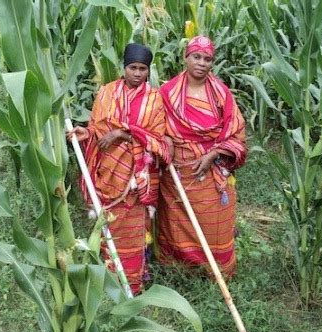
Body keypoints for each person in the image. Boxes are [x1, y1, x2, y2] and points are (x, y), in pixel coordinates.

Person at [66, 43, 170, 294]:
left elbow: (158, 139)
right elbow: (98, 129)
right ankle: (111, 279)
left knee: (133, 231)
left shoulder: (154, 99)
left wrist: (123, 134)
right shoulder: (106, 92)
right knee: (108, 225)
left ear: (148, 71)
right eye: (132, 67)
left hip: (136, 178)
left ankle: (133, 282)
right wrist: (86, 133)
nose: (137, 73)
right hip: (107, 173)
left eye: (142, 69)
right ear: (123, 67)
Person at [158, 36, 247, 278]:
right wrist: (167, 145)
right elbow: (157, 126)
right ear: (185, 58)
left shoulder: (221, 93)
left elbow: (236, 130)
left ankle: (216, 271)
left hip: (212, 168)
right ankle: (180, 270)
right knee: (177, 221)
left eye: (208, 59)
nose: (202, 63)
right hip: (178, 171)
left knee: (214, 223)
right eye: (196, 57)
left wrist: (215, 153)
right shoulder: (167, 93)